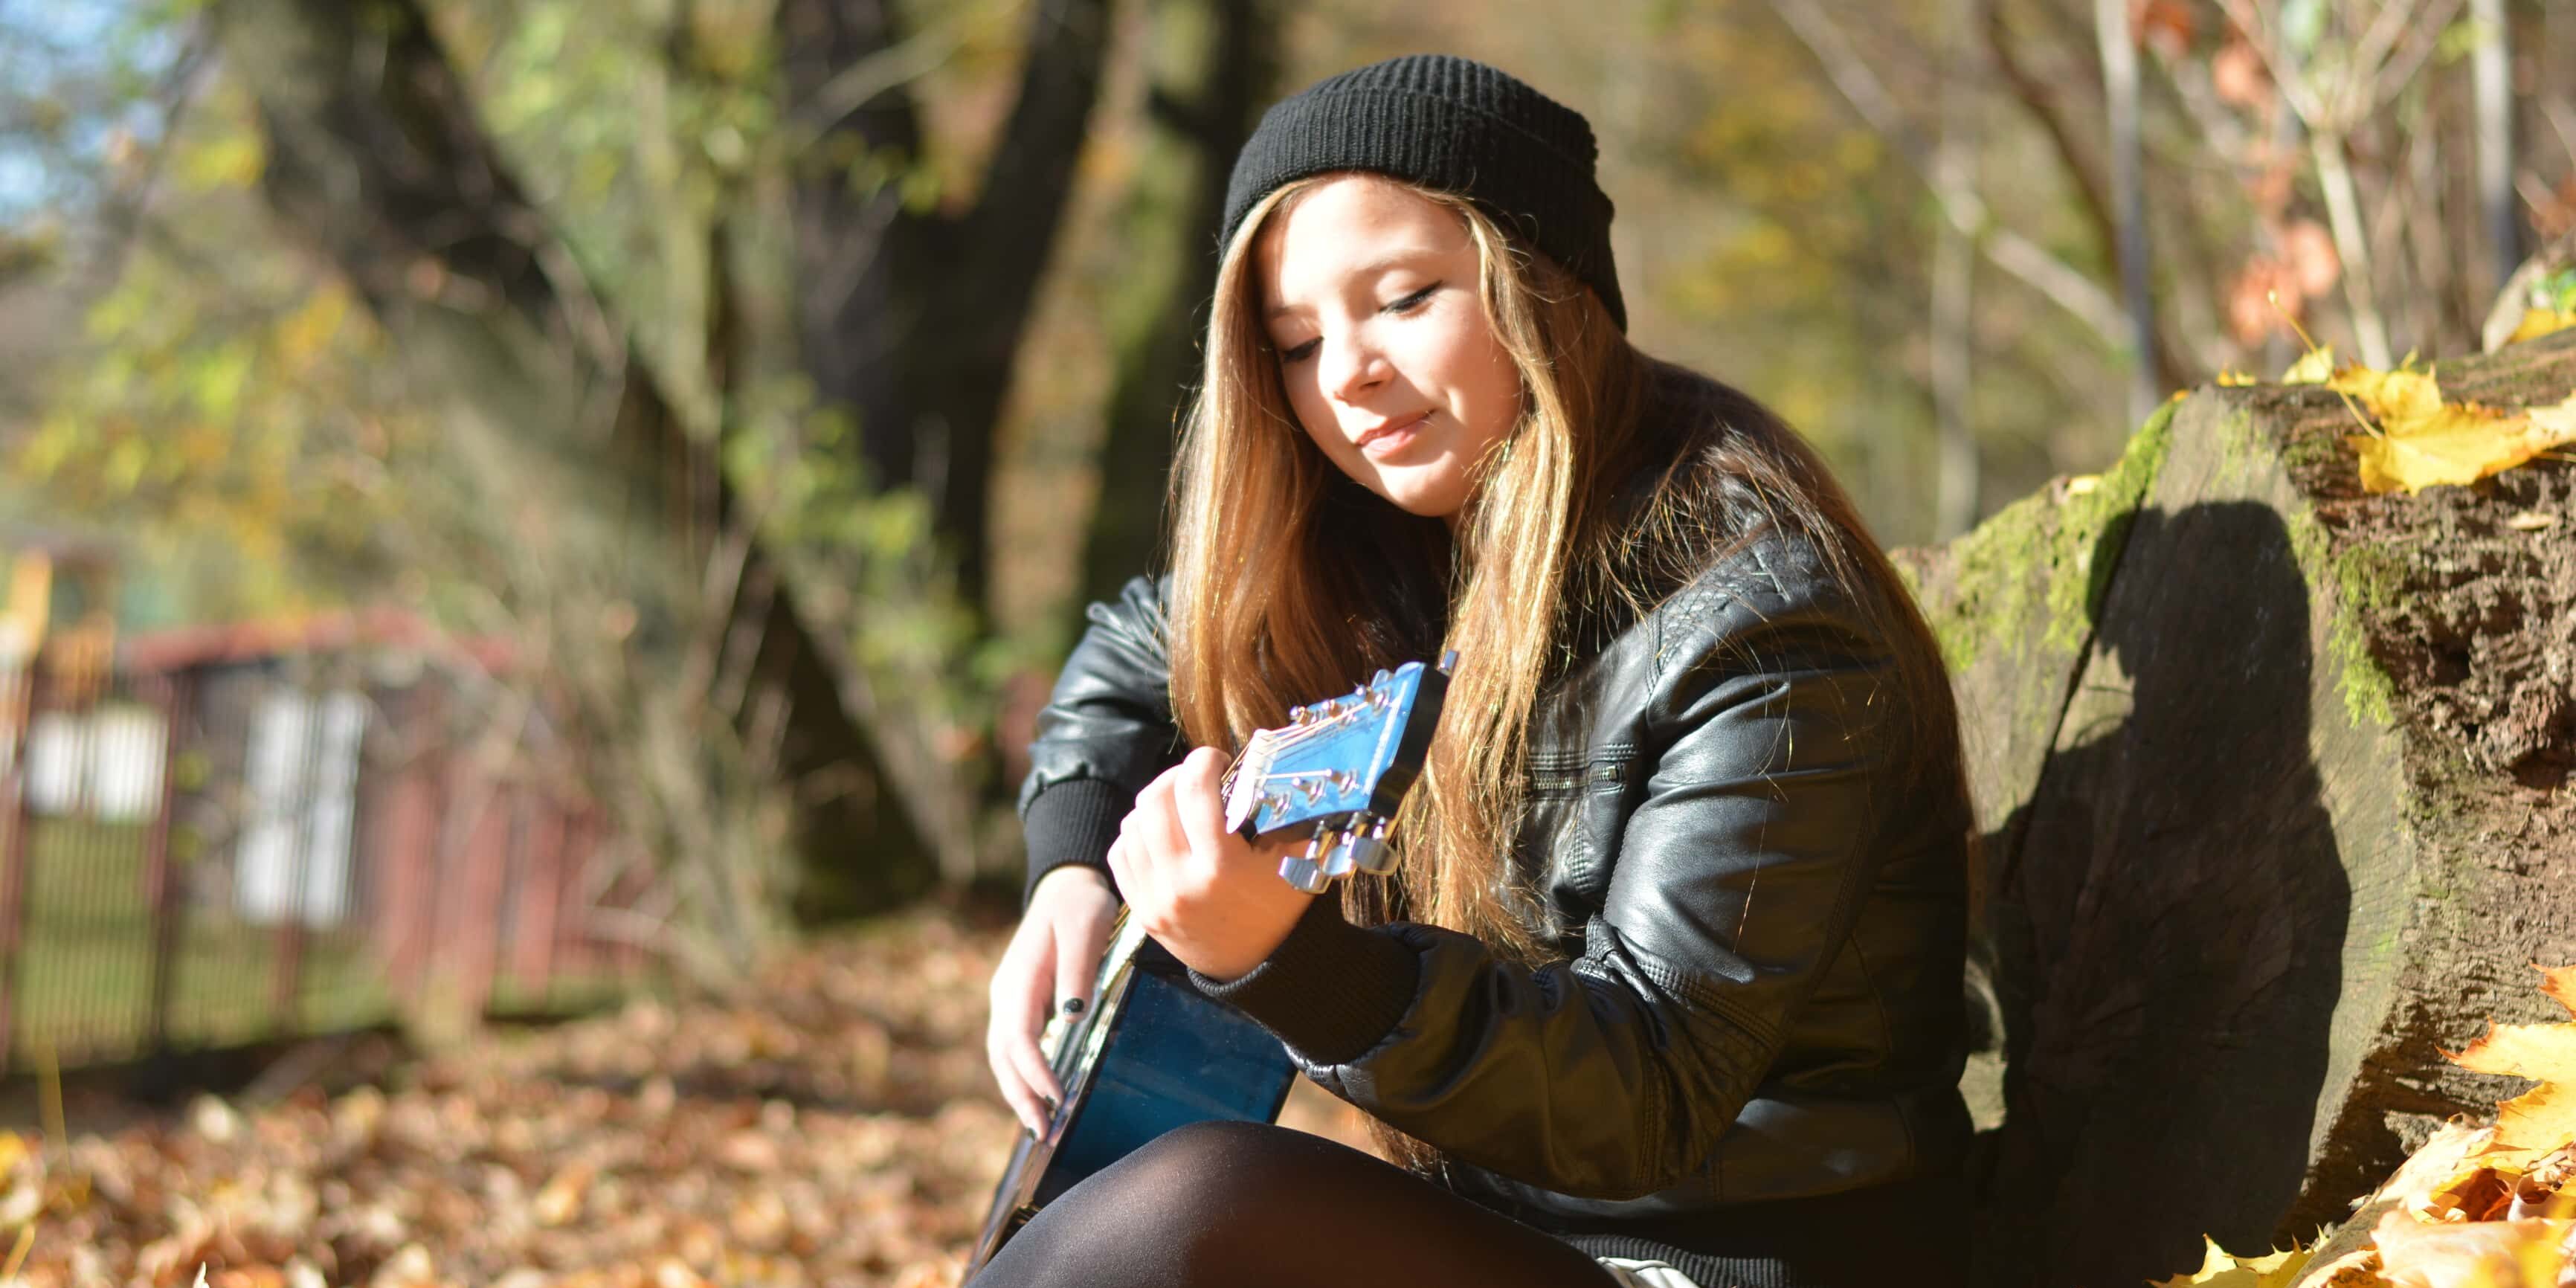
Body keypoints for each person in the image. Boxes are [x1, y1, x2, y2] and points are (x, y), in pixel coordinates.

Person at [977, 53, 1975, 1288]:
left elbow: (1646, 1093)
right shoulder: (1387, 552)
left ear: (1545, 284)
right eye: (1295, 344)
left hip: (1739, 1263)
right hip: (1505, 1233)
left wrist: (1296, 962)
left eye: (1403, 299)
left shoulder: (1760, 624)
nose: (1346, 372)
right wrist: (1071, 863)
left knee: (1195, 1212)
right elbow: (1143, 648)